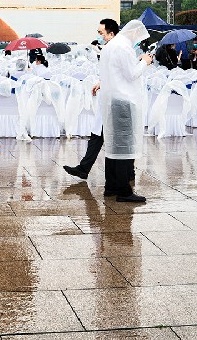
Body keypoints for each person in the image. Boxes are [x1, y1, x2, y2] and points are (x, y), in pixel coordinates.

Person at [96, 20, 153, 203]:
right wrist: (144, 62)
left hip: (112, 100)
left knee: (113, 145)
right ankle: (123, 190)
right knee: (123, 147)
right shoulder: (124, 47)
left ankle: (111, 186)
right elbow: (131, 74)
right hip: (123, 101)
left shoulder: (110, 46)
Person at [64, 18, 120, 181]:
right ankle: (84, 168)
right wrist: (101, 82)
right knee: (98, 136)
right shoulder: (110, 48)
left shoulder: (117, 49)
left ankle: (127, 174)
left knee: (113, 139)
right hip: (107, 99)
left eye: (101, 32)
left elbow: (121, 74)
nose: (99, 35)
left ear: (111, 32)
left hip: (114, 101)